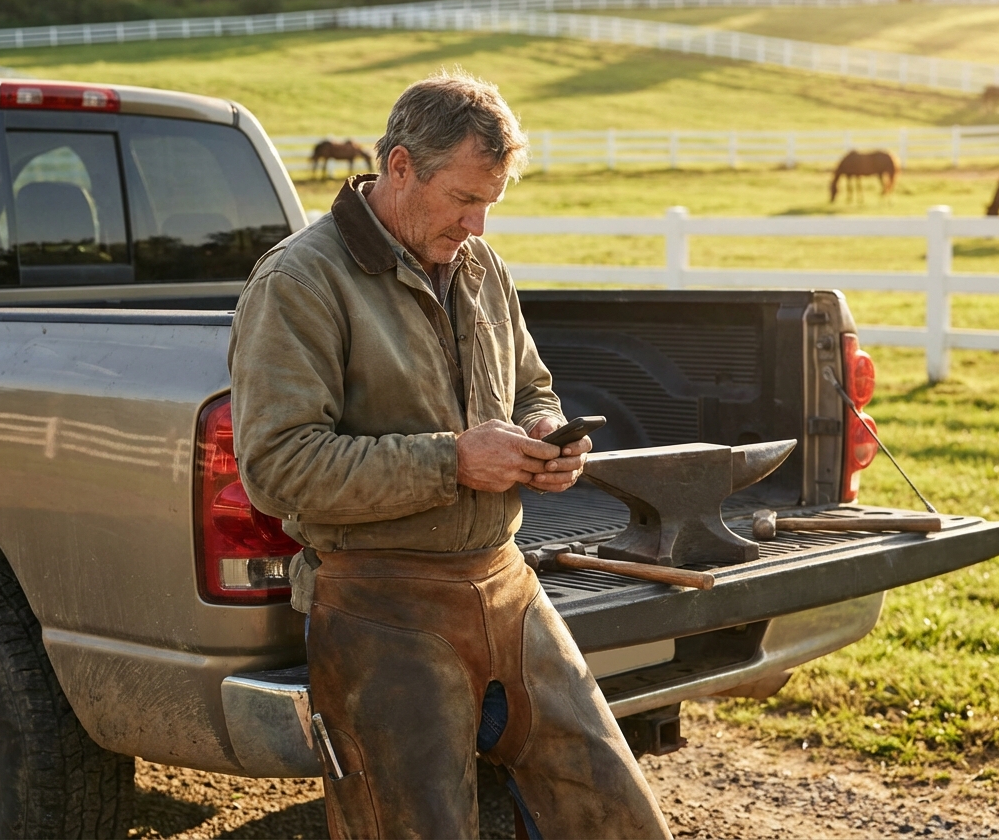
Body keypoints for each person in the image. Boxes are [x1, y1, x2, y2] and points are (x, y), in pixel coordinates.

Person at [228, 70, 671, 840]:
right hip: (377, 604)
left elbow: (532, 384)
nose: (479, 225)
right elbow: (278, 468)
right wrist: (453, 462)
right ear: (400, 167)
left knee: (615, 815)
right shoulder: (300, 280)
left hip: (505, 585)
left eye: (490, 204)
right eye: (465, 200)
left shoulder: (480, 266)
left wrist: (544, 435)